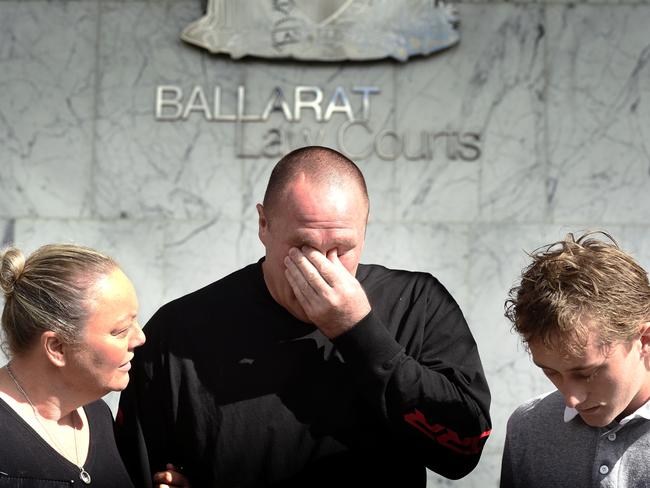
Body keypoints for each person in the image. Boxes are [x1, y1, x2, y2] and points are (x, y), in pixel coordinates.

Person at [116, 146, 492, 487]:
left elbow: (463, 450)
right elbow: (133, 467)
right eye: (303, 246)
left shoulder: (417, 304)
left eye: (342, 248)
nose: (323, 267)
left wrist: (358, 332)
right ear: (264, 225)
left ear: (365, 226)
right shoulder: (179, 331)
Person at [0, 244, 184, 488]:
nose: (140, 338)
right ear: (57, 347)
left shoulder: (98, 416)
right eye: (120, 331)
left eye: (135, 321)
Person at [501, 232, 650, 488]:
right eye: (551, 372)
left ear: (644, 340)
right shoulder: (528, 427)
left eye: (586, 373)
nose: (571, 399)